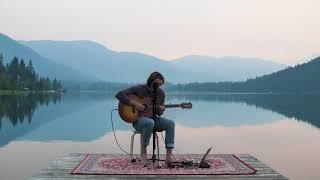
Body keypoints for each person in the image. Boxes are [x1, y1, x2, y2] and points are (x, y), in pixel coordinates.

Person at [115, 71, 175, 166]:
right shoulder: (139, 89)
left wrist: (161, 109)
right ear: (150, 81)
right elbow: (119, 94)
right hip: (139, 120)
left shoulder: (161, 93)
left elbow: (158, 113)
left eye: (160, 84)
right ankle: (143, 153)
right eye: (156, 83)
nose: (158, 86)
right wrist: (135, 103)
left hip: (153, 119)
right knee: (149, 122)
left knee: (170, 123)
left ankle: (168, 157)